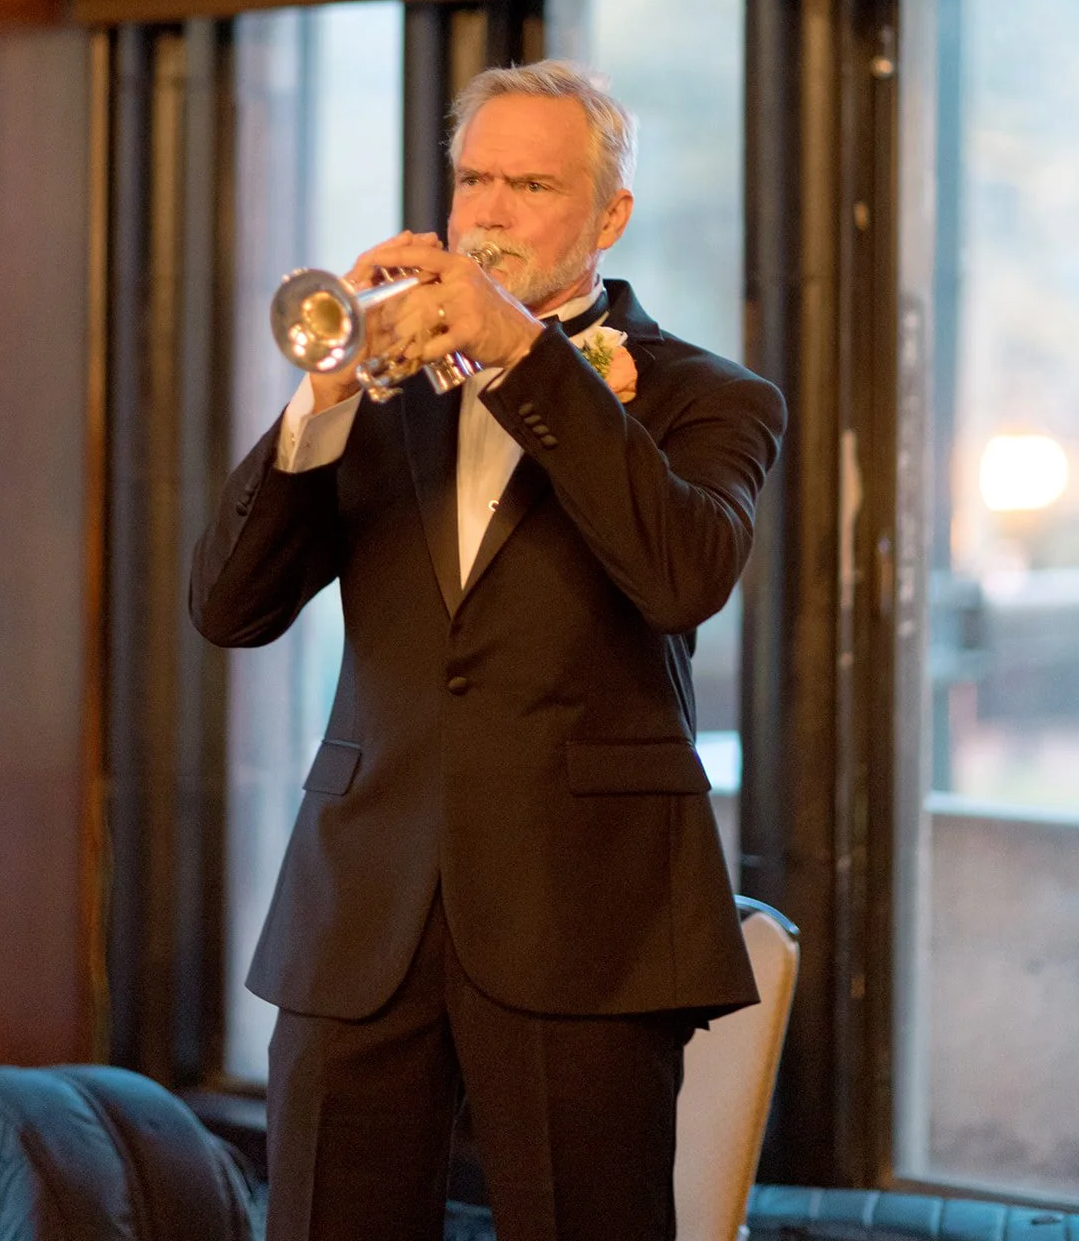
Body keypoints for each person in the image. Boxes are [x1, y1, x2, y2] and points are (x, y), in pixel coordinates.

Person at [190, 61, 786, 1241]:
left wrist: (527, 358)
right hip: (361, 913)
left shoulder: (710, 396)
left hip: (587, 917)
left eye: (530, 183)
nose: (491, 211)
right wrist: (321, 395)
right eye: (474, 178)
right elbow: (228, 606)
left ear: (608, 216)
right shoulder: (377, 382)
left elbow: (682, 577)